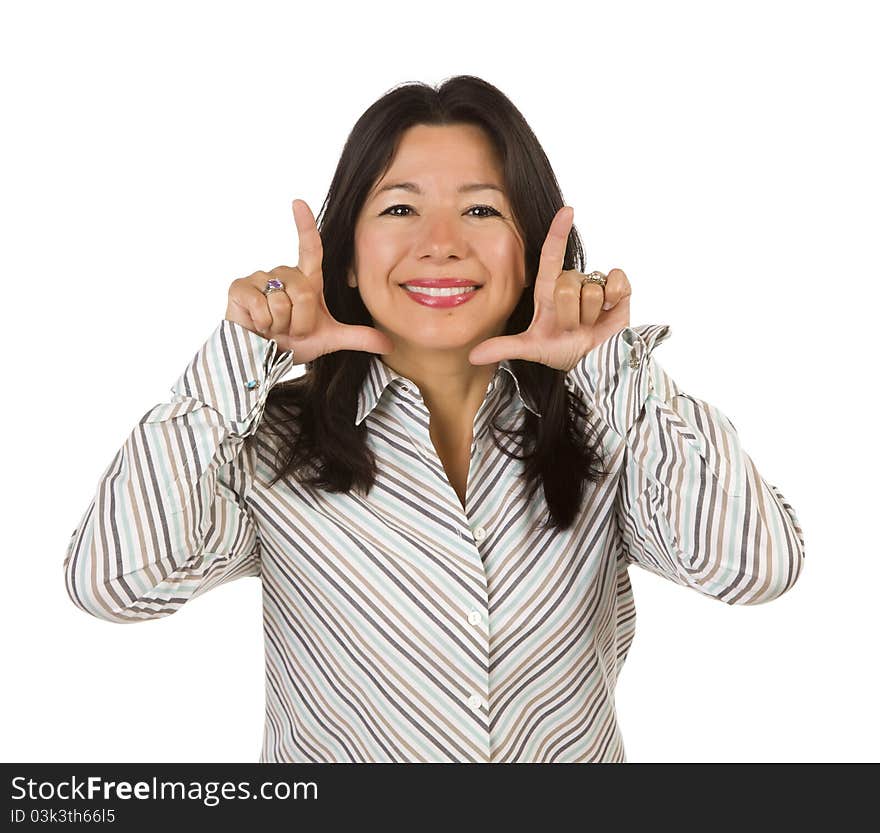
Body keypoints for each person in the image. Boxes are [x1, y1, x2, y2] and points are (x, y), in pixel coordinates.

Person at [63, 75, 805, 763]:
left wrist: (606, 361)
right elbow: (114, 582)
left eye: (482, 209)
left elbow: (751, 566)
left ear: (536, 250)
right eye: (399, 208)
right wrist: (241, 356)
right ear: (346, 256)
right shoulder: (270, 441)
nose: (441, 241)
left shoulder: (608, 429)